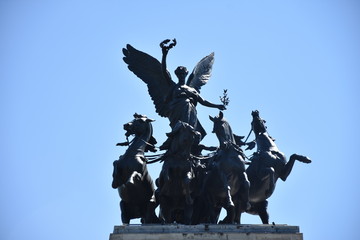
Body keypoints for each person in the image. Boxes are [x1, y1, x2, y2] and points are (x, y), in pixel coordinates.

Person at [160, 39, 225, 139]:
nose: (181, 75)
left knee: (192, 133)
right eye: (179, 74)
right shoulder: (173, 86)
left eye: (183, 74)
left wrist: (217, 106)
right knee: (179, 131)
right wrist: (164, 54)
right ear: (176, 75)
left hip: (190, 114)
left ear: (186, 74)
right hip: (176, 114)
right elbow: (163, 71)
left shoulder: (191, 90)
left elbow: (203, 101)